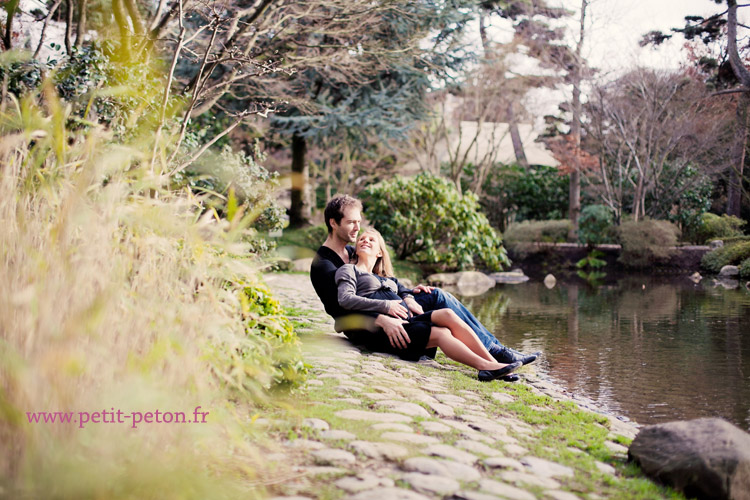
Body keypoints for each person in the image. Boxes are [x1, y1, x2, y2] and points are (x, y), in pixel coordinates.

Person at [309, 195, 539, 367]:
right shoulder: (324, 265)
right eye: (351, 223)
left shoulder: (352, 251)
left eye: (359, 222)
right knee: (438, 319)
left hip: (390, 308)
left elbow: (382, 281)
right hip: (368, 325)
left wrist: (409, 294)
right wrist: (382, 318)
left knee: (436, 295)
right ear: (333, 223)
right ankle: (494, 356)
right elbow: (342, 308)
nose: (358, 229)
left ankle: (495, 350)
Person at [334, 227, 521, 381]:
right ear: (356, 248)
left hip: (407, 319)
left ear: (380, 252)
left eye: (371, 240)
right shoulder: (349, 270)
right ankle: (484, 367)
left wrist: (409, 297)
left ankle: (495, 365)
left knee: (447, 313)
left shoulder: (385, 277)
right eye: (362, 239)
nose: (365, 241)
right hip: (387, 329)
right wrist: (387, 307)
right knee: (441, 333)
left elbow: (404, 290)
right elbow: (345, 299)